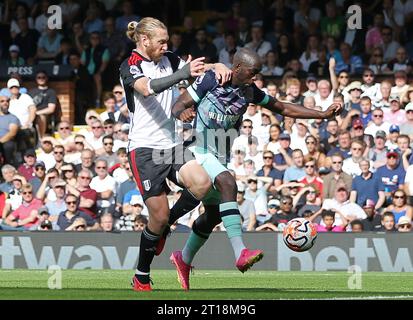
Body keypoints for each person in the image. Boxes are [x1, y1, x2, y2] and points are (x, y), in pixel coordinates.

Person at [169, 47, 341, 290]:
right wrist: (183, 112)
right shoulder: (212, 80)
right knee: (229, 183)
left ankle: (182, 258)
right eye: (252, 73)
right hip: (198, 150)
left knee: (213, 215)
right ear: (237, 68)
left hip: (219, 156)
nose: (255, 78)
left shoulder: (249, 92)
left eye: (258, 74)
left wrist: (322, 114)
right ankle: (240, 252)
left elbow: (283, 107)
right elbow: (178, 104)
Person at [119, 17, 231, 291]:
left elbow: (200, 70)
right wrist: (183, 74)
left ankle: (167, 224)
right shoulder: (130, 65)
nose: (167, 45)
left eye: (167, 40)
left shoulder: (168, 59)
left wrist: (219, 66)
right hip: (144, 149)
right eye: (162, 41)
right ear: (144, 40)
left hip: (171, 144)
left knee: (203, 183)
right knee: (156, 216)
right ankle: (141, 275)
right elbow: (147, 88)